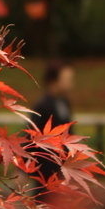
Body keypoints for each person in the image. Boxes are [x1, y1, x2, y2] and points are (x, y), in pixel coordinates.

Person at [28, 60, 74, 199]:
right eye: (67, 80)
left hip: (62, 167)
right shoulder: (42, 107)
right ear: (53, 81)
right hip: (45, 169)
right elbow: (31, 139)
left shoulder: (65, 103)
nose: (71, 84)